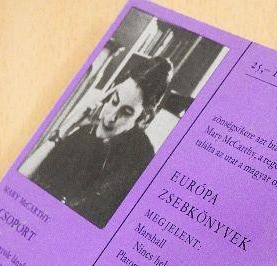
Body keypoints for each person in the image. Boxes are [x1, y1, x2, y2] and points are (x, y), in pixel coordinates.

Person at [29, 56, 173, 228]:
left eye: (126, 112)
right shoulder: (85, 131)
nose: (110, 117)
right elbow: (27, 184)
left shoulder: (140, 158)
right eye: (114, 101)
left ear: (145, 117)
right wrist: (65, 130)